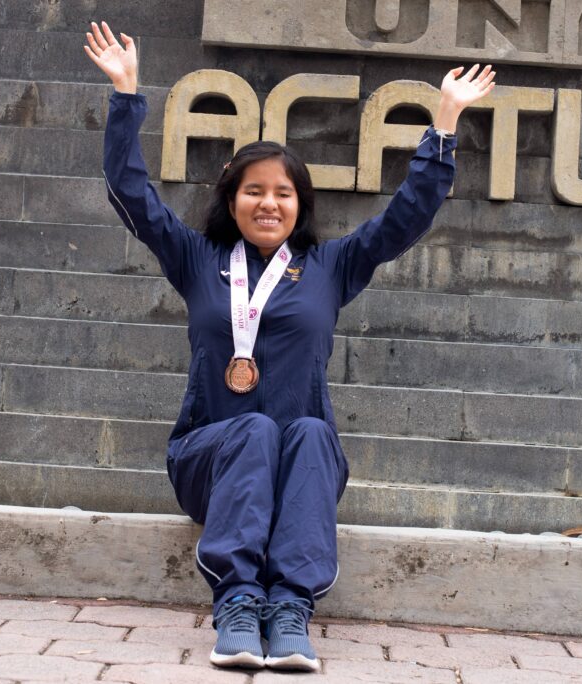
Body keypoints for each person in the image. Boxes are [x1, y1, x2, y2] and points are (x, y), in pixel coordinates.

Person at [84, 20, 495, 672]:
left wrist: (444, 121)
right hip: (211, 464)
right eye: (254, 191)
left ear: (300, 205)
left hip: (299, 475)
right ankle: (238, 606)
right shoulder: (198, 259)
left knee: (308, 432)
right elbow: (132, 194)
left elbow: (404, 219)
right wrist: (127, 94)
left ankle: (291, 609)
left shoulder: (330, 267)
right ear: (233, 200)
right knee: (251, 432)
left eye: (283, 192)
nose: (268, 203)